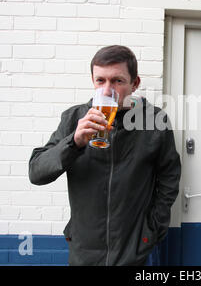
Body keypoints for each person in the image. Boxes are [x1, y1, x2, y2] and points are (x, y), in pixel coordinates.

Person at [28, 45, 181, 266]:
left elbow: (169, 176)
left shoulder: (155, 121)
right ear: (93, 81)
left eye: (117, 81)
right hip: (84, 253)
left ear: (135, 83)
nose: (108, 90)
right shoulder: (74, 119)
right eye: (101, 81)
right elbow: (36, 172)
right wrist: (74, 142)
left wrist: (153, 228)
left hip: (135, 251)